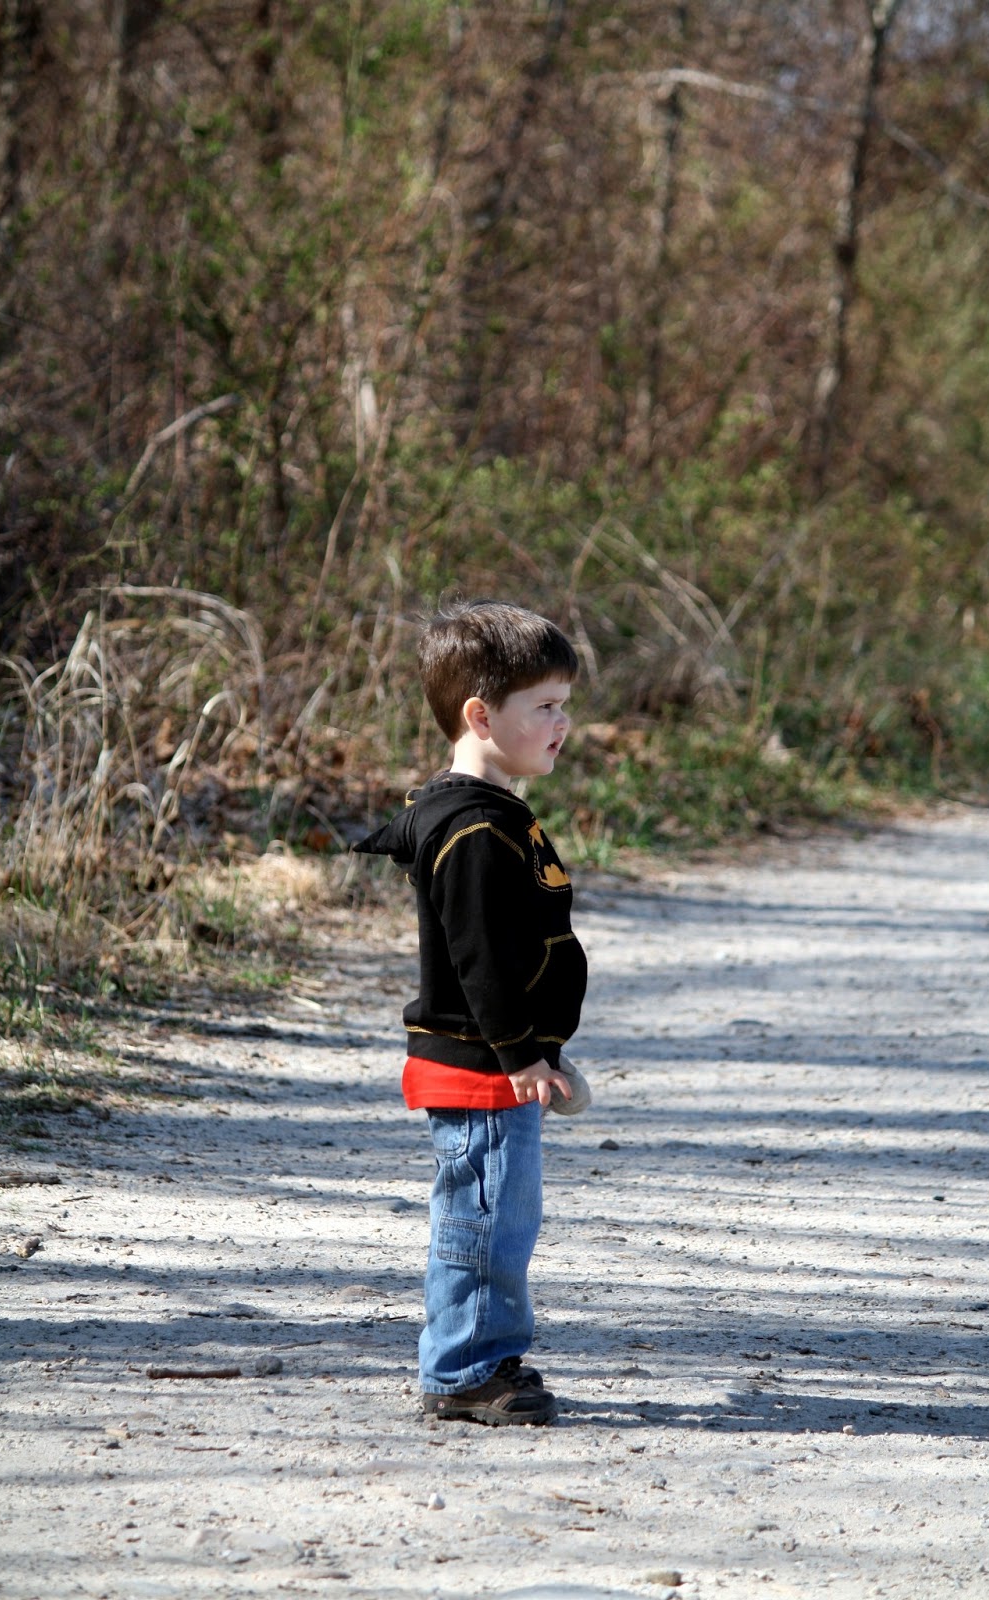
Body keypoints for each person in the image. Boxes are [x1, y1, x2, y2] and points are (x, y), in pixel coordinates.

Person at [353, 599, 588, 1426]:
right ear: (481, 716)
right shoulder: (474, 832)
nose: (563, 723)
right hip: (485, 1066)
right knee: (483, 1222)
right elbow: (479, 959)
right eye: (545, 706)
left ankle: (484, 1354)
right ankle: (463, 1370)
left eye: (565, 705)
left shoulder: (490, 816)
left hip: (504, 1063)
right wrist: (522, 1052)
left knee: (500, 1216)